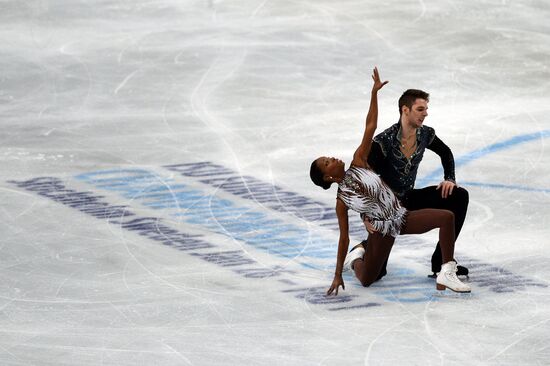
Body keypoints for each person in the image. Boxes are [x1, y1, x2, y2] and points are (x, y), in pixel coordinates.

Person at [309, 67, 470, 295]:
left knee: (449, 213)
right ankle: (358, 256)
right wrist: (337, 274)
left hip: (402, 211)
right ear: (328, 177)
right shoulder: (344, 197)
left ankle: (444, 268)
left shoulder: (359, 160)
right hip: (382, 225)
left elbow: (369, 126)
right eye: (328, 162)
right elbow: (343, 236)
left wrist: (374, 93)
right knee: (369, 278)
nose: (333, 158)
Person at [367, 89, 469, 277]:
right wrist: (366, 215)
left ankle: (441, 262)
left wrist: (449, 179)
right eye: (420, 109)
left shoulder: (425, 135)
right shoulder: (384, 141)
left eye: (426, 109)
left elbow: (445, 152)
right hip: (388, 208)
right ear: (405, 110)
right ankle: (360, 250)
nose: (426, 113)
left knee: (459, 196)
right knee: (377, 272)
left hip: (410, 198)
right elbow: (367, 179)